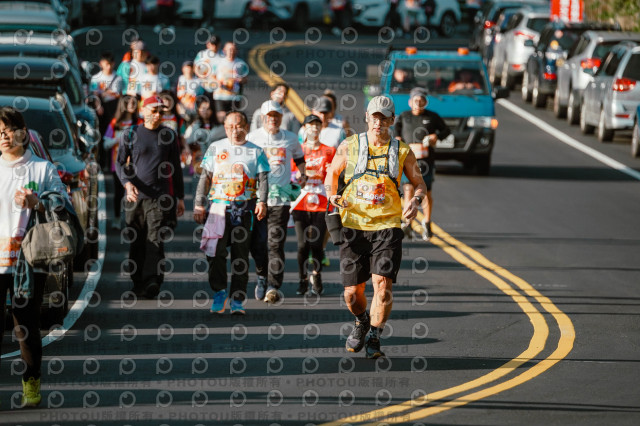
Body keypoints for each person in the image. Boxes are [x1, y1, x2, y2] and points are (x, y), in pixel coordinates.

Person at [325, 95, 426, 359]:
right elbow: (331, 175)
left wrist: (415, 201)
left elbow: (419, 184)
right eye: (374, 117)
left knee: (382, 284)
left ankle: (375, 335)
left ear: (392, 120)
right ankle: (362, 321)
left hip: (387, 226)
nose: (378, 122)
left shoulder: (402, 151)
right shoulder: (349, 145)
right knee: (352, 294)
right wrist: (332, 195)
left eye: (383, 118)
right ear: (367, 118)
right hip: (353, 225)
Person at [0, 107, 70, 407]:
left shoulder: (42, 169)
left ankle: (31, 381)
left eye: (7, 130)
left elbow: (63, 205)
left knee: (25, 327)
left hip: (28, 261)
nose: (3, 137)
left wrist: (38, 202)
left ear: (22, 132)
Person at [194, 111, 269, 314]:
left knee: (240, 255)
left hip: (245, 209)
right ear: (225, 128)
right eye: (230, 127)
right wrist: (199, 203)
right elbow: (205, 177)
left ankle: (237, 299)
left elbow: (263, 179)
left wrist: (262, 201)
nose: (234, 131)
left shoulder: (256, 151)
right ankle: (219, 292)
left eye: (238, 126)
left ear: (246, 127)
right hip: (219, 208)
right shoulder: (216, 147)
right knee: (215, 252)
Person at [115, 95, 185, 298]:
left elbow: (176, 168)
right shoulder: (131, 133)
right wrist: (127, 184)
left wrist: (180, 197)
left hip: (159, 197)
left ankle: (152, 280)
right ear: (143, 111)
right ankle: (137, 282)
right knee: (137, 241)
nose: (157, 115)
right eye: (154, 110)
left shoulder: (169, 135)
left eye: (161, 112)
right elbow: (120, 163)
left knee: (155, 239)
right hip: (134, 197)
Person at [248, 100, 306, 304]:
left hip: (280, 200)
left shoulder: (290, 138)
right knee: (257, 244)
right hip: (256, 199)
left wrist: (303, 173)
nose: (273, 119)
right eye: (269, 116)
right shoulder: (252, 138)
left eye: (276, 116)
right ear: (263, 118)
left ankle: (273, 286)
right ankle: (261, 277)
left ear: (281, 118)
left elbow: (300, 158)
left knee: (275, 243)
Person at [395, 87, 451, 241]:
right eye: (416, 101)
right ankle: (408, 223)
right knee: (408, 190)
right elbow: (395, 130)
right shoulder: (404, 116)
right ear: (410, 102)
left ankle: (426, 222)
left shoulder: (432, 117)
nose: (418, 104)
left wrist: (436, 137)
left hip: (426, 161)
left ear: (426, 102)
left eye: (421, 101)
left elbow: (446, 131)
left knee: (426, 193)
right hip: (408, 160)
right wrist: (398, 139)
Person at [290, 114, 336, 296]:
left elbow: (335, 175)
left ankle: (316, 275)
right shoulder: (297, 150)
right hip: (301, 201)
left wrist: (332, 177)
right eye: (310, 125)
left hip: (321, 201)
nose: (314, 128)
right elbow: (290, 174)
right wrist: (297, 177)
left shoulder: (329, 151)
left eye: (317, 125)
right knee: (302, 245)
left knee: (316, 243)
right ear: (304, 129)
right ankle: (302, 279)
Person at [103, 95, 140, 230]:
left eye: (134, 103)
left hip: (136, 164)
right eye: (129, 103)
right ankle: (117, 219)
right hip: (117, 164)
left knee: (135, 191)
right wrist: (117, 140)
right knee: (119, 192)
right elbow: (105, 143)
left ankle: (134, 220)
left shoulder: (139, 122)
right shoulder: (115, 123)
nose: (133, 105)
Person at [89, 51, 123, 170]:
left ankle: (110, 163)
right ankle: (100, 161)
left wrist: (103, 92)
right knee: (100, 134)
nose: (108, 67)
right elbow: (94, 94)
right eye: (105, 64)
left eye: (110, 64)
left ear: (113, 64)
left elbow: (116, 93)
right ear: (101, 64)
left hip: (112, 108)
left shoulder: (117, 78)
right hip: (100, 108)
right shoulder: (96, 78)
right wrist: (98, 106)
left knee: (110, 134)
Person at [184, 97, 225, 175]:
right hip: (201, 163)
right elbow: (189, 141)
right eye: (203, 108)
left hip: (218, 162)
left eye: (208, 109)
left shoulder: (219, 126)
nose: (205, 111)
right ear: (198, 110)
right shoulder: (196, 125)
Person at [214, 42, 249, 123]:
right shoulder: (218, 62)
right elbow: (212, 76)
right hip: (220, 95)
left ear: (236, 51)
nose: (231, 52)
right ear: (224, 50)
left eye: (233, 49)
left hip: (235, 96)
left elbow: (245, 79)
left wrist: (241, 80)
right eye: (229, 49)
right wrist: (218, 82)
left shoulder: (241, 64)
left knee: (234, 119)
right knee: (221, 118)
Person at [194, 35, 223, 102]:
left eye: (216, 44)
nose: (214, 46)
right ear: (208, 44)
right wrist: (203, 76)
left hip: (218, 88)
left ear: (219, 44)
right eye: (212, 44)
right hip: (204, 87)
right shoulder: (202, 54)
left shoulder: (223, 55)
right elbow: (196, 68)